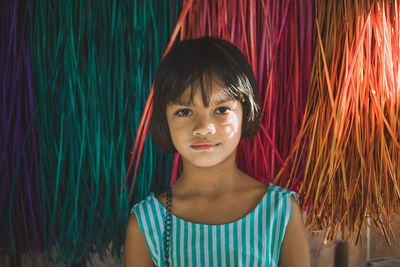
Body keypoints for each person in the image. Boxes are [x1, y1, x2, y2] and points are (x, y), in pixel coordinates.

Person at [124, 37, 310, 267]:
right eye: (184, 111)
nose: (204, 128)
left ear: (246, 112)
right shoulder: (147, 225)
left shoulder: (280, 213)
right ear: (164, 120)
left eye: (221, 109)